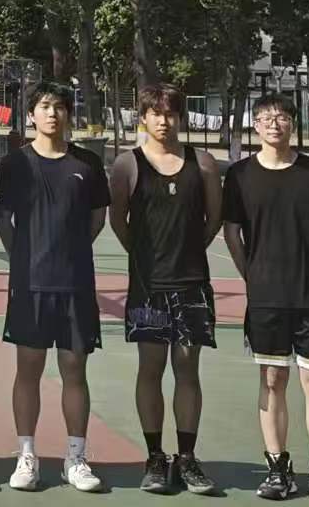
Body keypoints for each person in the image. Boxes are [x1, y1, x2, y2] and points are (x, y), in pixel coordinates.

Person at [222, 91, 309, 504]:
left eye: (281, 117)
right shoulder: (240, 175)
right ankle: (277, 469)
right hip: (267, 299)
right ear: (255, 125)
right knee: (272, 379)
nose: (274, 124)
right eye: (266, 117)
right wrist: (252, 275)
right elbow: (232, 232)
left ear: (293, 124)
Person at [108, 81, 222, 496]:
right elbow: (119, 221)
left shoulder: (203, 163)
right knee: (150, 368)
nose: (163, 120)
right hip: (148, 287)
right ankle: (155, 456)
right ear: (143, 118)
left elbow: (213, 220)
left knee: (187, 368)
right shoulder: (127, 165)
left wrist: (187, 254)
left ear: (180, 118)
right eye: (155, 113)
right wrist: (143, 258)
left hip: (192, 284)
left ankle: (186, 457)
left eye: (171, 113)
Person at [0, 80, 108, 493]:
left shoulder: (88, 164)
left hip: (76, 284)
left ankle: (75, 458)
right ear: (31, 115)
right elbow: (3, 218)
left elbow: (97, 218)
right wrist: (23, 255)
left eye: (59, 106)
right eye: (44, 106)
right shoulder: (15, 165)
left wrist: (70, 252)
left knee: (75, 369)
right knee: (28, 369)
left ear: (68, 114)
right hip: (30, 285)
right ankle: (27, 455)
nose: (52, 113)